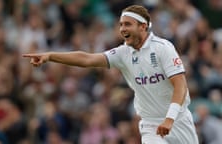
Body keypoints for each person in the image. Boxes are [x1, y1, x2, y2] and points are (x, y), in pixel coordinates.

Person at [23, 5, 199, 144]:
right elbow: (87, 59)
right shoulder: (123, 53)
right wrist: (50, 56)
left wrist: (170, 118)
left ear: (143, 26)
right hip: (151, 123)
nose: (122, 29)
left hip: (178, 120)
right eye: (121, 24)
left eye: (127, 24)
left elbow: (180, 85)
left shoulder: (163, 48)